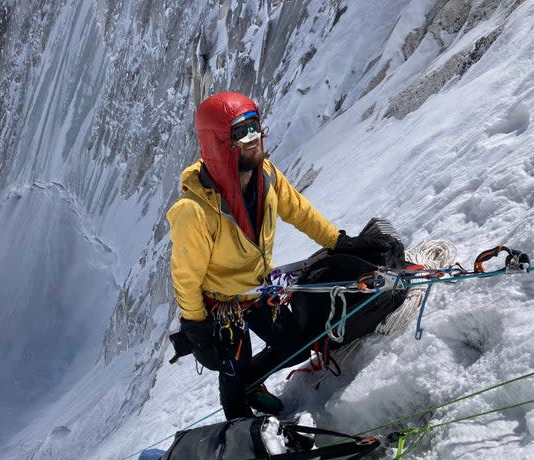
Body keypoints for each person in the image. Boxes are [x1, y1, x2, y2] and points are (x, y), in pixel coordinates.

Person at [166, 91, 398, 420]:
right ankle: (240, 434)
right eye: (241, 132)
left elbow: (299, 212)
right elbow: (186, 276)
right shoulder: (194, 211)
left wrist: (338, 241)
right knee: (233, 366)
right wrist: (196, 324)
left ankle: (252, 382)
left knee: (294, 343)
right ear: (218, 143)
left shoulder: (267, 176)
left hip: (258, 290)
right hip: (220, 305)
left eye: (256, 127)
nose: (254, 138)